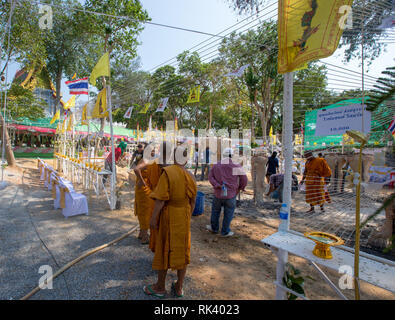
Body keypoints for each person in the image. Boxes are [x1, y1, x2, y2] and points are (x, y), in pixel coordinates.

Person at [143, 145, 197, 298]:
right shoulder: (190, 176)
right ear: (186, 160)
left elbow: (160, 200)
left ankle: (160, 287)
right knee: (183, 250)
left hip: (169, 215)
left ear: (173, 157)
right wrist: (187, 216)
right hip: (184, 215)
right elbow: (193, 202)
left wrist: (153, 218)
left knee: (164, 248)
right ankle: (179, 287)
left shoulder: (168, 173)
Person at [207, 148, 248, 237]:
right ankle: (225, 231)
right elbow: (244, 179)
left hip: (218, 193)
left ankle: (214, 228)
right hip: (231, 194)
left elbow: (210, 177)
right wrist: (241, 188)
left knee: (215, 211)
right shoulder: (236, 166)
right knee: (228, 213)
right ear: (232, 156)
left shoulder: (217, 165)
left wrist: (217, 185)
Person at [133, 146, 162, 244]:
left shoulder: (149, 160)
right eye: (151, 150)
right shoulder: (145, 160)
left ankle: (141, 233)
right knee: (145, 212)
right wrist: (142, 181)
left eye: (154, 150)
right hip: (144, 190)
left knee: (143, 211)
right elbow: (136, 169)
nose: (153, 152)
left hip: (143, 189)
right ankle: (145, 237)